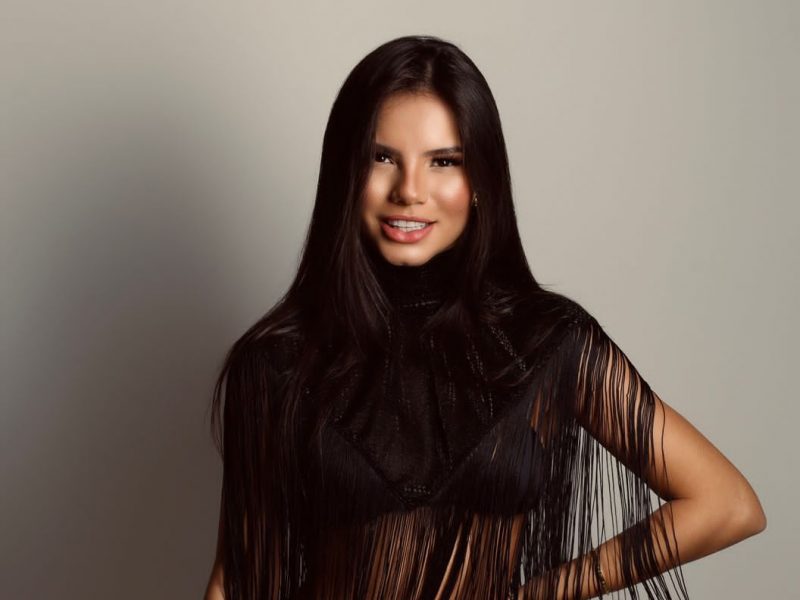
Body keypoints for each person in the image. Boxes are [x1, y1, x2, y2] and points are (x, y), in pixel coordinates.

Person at [204, 35, 765, 600]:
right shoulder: (278, 361)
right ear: (345, 174)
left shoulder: (547, 342)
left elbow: (728, 504)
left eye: (444, 161)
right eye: (382, 158)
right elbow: (238, 578)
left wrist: (543, 593)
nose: (410, 191)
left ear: (480, 182)